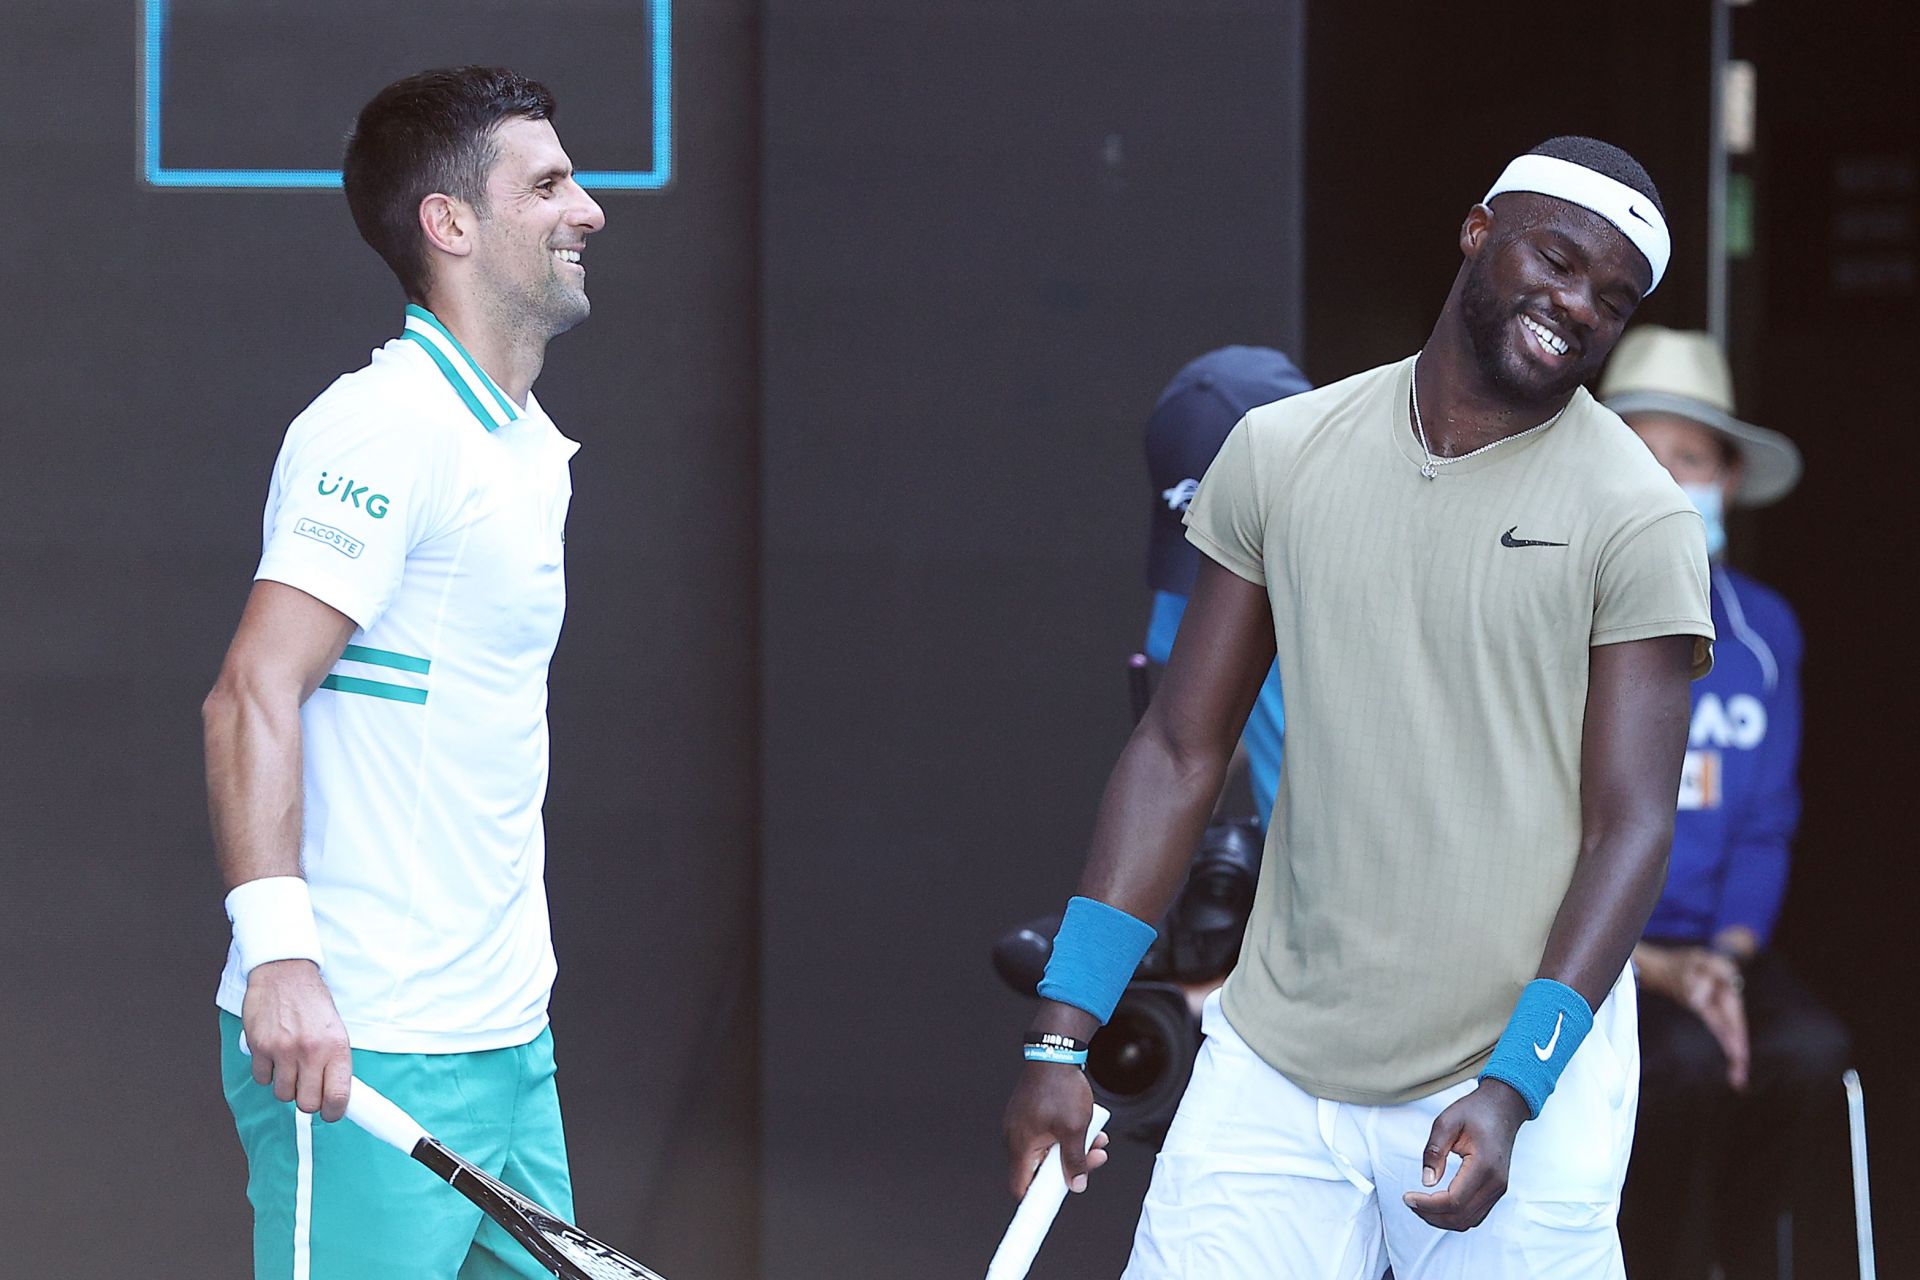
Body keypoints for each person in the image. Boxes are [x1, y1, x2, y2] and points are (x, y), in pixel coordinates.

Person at [1003, 136, 1716, 1278]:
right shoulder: (1283, 453)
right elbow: (1182, 749)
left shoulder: (1640, 516)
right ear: (1479, 231)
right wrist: (1063, 1026)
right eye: (1558, 259)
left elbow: (1629, 826)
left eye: (1612, 298)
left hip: (1520, 1076)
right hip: (1276, 1060)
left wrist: (1517, 1083)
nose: (1577, 304)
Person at [200, 66, 606, 1278]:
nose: (588, 208)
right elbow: (251, 692)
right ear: (450, 223)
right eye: (548, 183)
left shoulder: (523, 444)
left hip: (504, 1047)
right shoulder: (384, 428)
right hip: (366, 1048)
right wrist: (279, 957)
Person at [1600, 327, 1854, 1280]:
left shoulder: (1763, 633)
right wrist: (1655, 971)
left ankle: (1747, 1262)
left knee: (1809, 1052)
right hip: (1590, 957)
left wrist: (1723, 960)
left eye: (1691, 456)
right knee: (1683, 1070)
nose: (1665, 477)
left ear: (1730, 480)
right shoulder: (1556, 617)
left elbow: (1766, 820)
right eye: (1639, 451)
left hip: (1718, 946)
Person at [1144, 346, 1311, 823]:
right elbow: (1202, 730)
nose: (1221, 583)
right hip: (1289, 883)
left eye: (1238, 547)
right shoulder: (1186, 589)